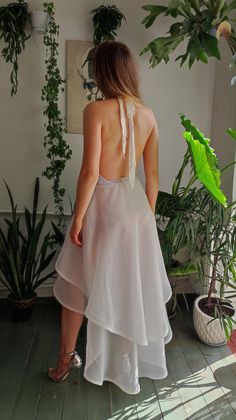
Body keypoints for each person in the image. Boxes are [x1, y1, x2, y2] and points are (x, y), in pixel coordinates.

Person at [47, 40, 173, 395]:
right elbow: (152, 177)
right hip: (135, 213)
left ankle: (64, 361)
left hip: (101, 210)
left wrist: (77, 220)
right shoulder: (148, 115)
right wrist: (145, 219)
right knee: (128, 289)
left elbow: (90, 172)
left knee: (75, 286)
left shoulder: (95, 111)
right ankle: (124, 369)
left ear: (102, 72)